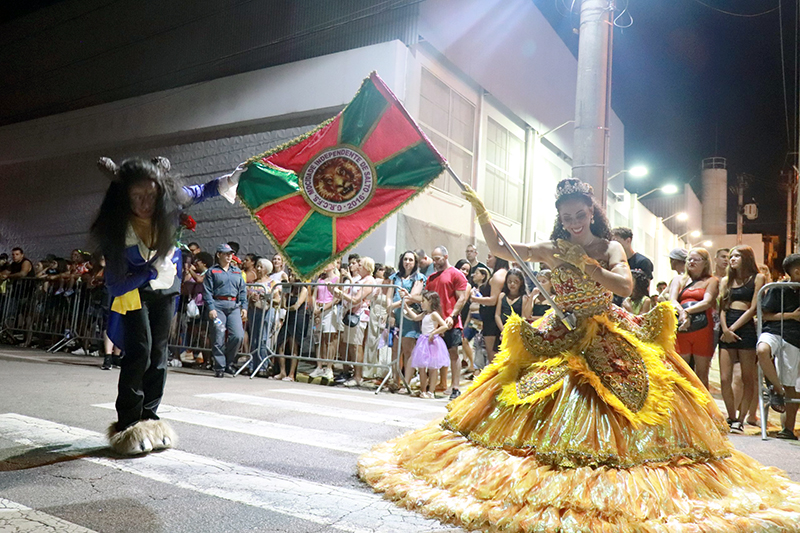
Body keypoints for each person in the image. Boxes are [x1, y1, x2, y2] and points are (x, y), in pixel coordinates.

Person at [357, 177, 800, 531]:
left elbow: (625, 288)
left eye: (579, 214)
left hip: (605, 329)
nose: (572, 221)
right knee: (531, 393)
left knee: (618, 401)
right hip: (558, 329)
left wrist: (592, 267)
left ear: (592, 213)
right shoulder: (551, 248)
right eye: (566, 216)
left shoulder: (608, 248)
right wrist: (482, 213)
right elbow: (499, 249)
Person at [91, 156, 242, 455]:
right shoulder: (116, 228)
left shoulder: (170, 206)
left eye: (150, 195)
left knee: (159, 353)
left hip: (166, 291)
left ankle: (150, 417)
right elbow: (114, 284)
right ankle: (129, 425)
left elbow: (204, 190)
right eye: (137, 196)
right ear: (124, 196)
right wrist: (149, 271)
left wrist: (236, 177)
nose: (145, 203)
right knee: (140, 351)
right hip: (133, 293)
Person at [717, 245, 764, 433]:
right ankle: (731, 416)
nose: (732, 259)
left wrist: (734, 328)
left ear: (746, 258)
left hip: (745, 327)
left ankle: (741, 419)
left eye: (736, 256)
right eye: (730, 256)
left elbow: (753, 308)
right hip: (726, 326)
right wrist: (726, 329)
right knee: (724, 377)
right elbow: (721, 308)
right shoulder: (726, 281)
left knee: (747, 377)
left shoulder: (757, 278)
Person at [757, 253, 800, 440]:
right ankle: (776, 389)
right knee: (762, 350)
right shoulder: (777, 289)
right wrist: (791, 315)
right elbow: (765, 315)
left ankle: (788, 429)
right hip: (774, 331)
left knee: (792, 384)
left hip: (795, 339)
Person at [670, 248, 719, 390]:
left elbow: (707, 302)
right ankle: (682, 408)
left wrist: (686, 311)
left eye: (695, 259)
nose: (691, 262)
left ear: (705, 263)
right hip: (681, 327)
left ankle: (703, 408)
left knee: (702, 373)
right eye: (689, 259)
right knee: (681, 371)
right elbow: (672, 300)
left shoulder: (711, 280)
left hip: (703, 328)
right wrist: (682, 313)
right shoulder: (679, 279)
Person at [425, 246, 469, 400]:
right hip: (435, 323)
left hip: (451, 322)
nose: (435, 262)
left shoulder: (456, 274)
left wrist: (452, 315)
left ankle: (455, 386)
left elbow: (462, 298)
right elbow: (427, 299)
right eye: (433, 258)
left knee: (454, 354)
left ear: (446, 256)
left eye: (438, 258)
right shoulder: (431, 278)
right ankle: (431, 387)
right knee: (432, 354)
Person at [204, 243, 248, 378]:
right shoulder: (212, 271)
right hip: (218, 306)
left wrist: (244, 307)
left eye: (231, 254)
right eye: (226, 253)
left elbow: (242, 291)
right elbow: (207, 291)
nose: (229, 256)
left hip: (233, 306)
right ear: (219, 255)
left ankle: (228, 362)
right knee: (218, 334)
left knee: (238, 335)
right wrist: (211, 308)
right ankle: (219, 366)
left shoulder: (236, 271)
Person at [388, 251, 426, 392]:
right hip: (396, 316)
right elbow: (389, 295)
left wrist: (394, 304)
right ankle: (394, 380)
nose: (407, 262)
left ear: (415, 262)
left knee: (408, 350)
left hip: (409, 316)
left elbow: (413, 297)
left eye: (410, 259)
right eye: (405, 259)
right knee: (395, 349)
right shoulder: (395, 277)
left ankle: (406, 382)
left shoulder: (419, 278)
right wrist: (390, 310)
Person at [334, 256, 375, 387]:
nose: (358, 267)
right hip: (351, 313)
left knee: (357, 346)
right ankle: (353, 373)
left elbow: (357, 299)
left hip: (360, 315)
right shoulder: (361, 280)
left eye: (360, 265)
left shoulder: (369, 281)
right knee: (351, 345)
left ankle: (358, 376)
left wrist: (341, 294)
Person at [401, 291, 450, 399]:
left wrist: (433, 333)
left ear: (431, 302)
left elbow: (444, 326)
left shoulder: (434, 314)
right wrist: (406, 307)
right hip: (423, 341)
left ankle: (431, 391)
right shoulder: (425, 314)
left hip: (432, 341)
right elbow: (415, 317)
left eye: (424, 301)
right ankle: (423, 390)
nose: (422, 303)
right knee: (421, 367)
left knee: (433, 368)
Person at [469, 253, 508, 365]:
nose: (487, 259)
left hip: (492, 319)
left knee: (492, 354)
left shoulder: (498, 275)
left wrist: (474, 298)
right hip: (490, 317)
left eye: (490, 257)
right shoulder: (499, 274)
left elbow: (493, 300)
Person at [247, 258, 279, 376]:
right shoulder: (253, 283)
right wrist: (252, 298)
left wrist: (267, 298)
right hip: (254, 311)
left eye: (261, 267)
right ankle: (252, 364)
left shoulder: (273, 283)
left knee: (263, 338)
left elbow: (278, 299)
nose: (258, 269)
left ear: (267, 269)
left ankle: (262, 366)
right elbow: (247, 297)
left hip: (266, 312)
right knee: (253, 338)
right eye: (258, 266)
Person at [275, 269, 308, 381]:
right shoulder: (290, 289)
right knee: (281, 343)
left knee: (294, 346)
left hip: (297, 317)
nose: (292, 277)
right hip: (288, 317)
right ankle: (282, 371)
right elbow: (282, 303)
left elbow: (296, 306)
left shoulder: (303, 289)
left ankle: (292, 374)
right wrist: (285, 291)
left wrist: (286, 308)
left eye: (294, 275)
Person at [309, 262, 340, 381]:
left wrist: (323, 309)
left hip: (329, 310)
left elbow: (336, 298)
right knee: (319, 339)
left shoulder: (336, 279)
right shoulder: (320, 279)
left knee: (329, 339)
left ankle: (329, 367)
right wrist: (315, 308)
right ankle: (319, 366)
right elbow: (314, 294)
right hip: (319, 309)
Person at [611, 227, 653, 305]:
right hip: (616, 304)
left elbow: (646, 288)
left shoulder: (643, 262)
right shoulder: (612, 262)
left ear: (628, 241)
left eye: (617, 242)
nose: (614, 245)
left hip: (635, 306)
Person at [494, 267, 531, 332]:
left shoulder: (524, 298)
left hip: (516, 331)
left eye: (516, 282)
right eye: (509, 282)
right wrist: (503, 330)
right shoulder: (502, 296)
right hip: (502, 330)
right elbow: (497, 315)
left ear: (521, 282)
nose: (512, 284)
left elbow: (523, 318)